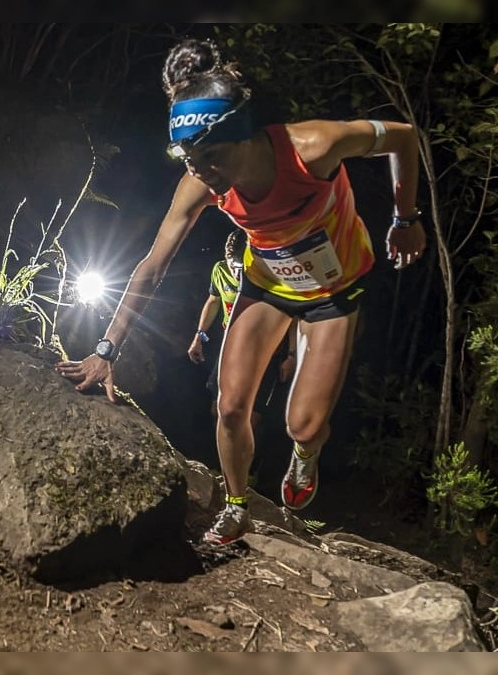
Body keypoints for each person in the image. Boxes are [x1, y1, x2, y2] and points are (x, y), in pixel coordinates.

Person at [55, 39, 426, 546]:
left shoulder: (313, 147)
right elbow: (151, 266)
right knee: (230, 406)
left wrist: (406, 219)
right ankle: (236, 506)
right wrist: (106, 350)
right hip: (268, 284)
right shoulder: (200, 186)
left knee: (303, 424)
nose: (198, 169)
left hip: (334, 289)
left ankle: (307, 454)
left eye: (210, 154)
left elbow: (404, 138)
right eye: (187, 156)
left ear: (243, 136)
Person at [188, 230, 297, 428]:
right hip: (232, 344)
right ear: (226, 259)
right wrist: (199, 337)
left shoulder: (264, 275)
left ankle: (253, 458)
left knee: (252, 416)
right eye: (234, 267)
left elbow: (291, 314)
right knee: (218, 405)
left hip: (267, 349)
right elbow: (213, 301)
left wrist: (291, 355)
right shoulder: (220, 271)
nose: (239, 274)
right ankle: (218, 455)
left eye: (242, 267)